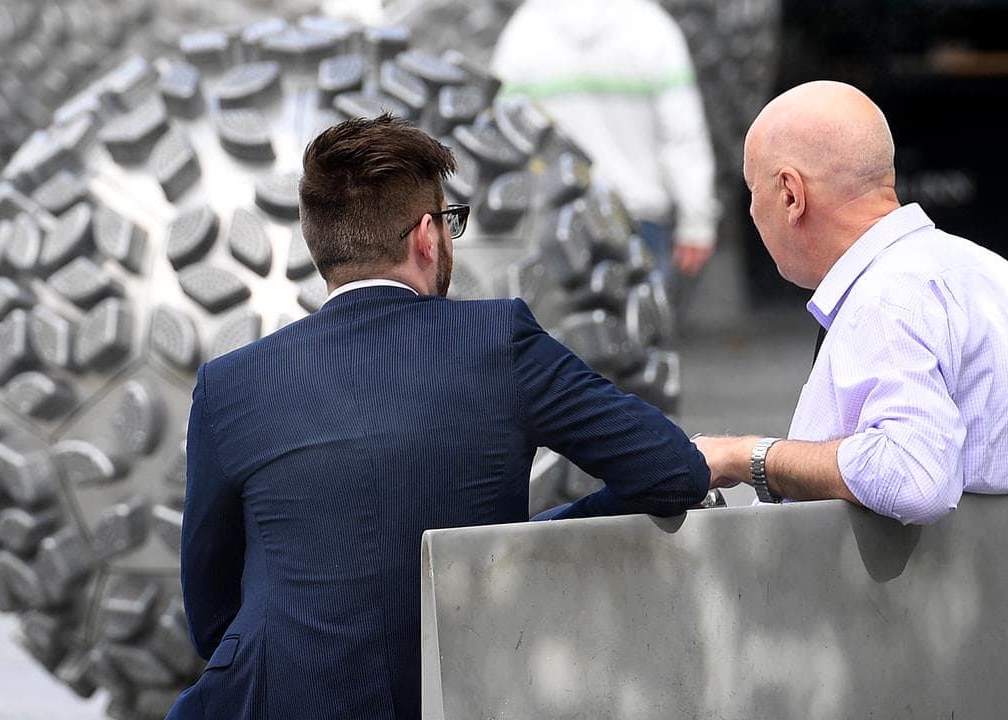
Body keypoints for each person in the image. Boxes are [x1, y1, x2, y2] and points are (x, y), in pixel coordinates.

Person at [165, 115, 708, 720]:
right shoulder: (497, 340)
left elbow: (211, 616)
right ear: (428, 235)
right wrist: (517, 539)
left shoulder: (230, 383)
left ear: (320, 246)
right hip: (462, 694)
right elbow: (672, 472)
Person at [695, 81, 1008, 525]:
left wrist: (746, 456)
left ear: (791, 194)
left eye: (753, 191)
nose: (753, 212)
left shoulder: (886, 296)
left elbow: (911, 479)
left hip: (930, 570)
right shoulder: (990, 270)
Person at [490, 0, 719, 285]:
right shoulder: (652, 27)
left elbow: (501, 132)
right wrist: (696, 222)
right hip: (638, 217)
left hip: (551, 223)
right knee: (643, 311)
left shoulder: (524, 30)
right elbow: (681, 134)